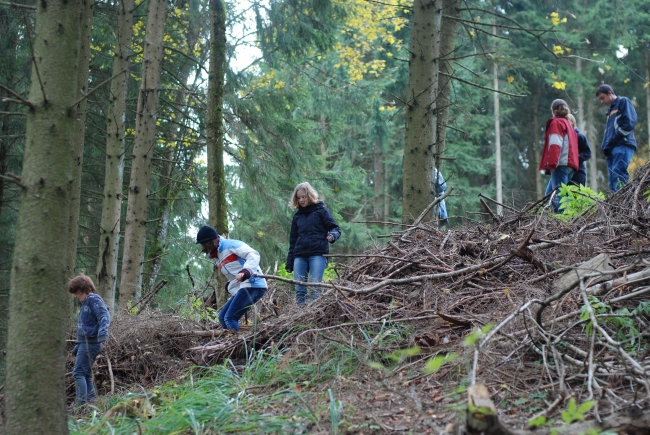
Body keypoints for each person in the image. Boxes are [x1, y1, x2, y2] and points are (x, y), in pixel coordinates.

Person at [196, 225, 267, 332]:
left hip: (254, 284)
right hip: (244, 286)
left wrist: (246, 271)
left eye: (205, 245)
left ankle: (239, 344)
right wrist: (230, 285)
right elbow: (235, 275)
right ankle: (235, 340)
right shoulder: (217, 257)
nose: (204, 248)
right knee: (222, 318)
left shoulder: (231, 245)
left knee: (230, 318)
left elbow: (253, 254)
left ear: (213, 241)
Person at [286, 182, 341, 307]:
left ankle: (315, 319)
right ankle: (302, 319)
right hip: (300, 255)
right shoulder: (297, 216)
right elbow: (293, 240)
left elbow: (335, 229)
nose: (301, 200)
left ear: (309, 195)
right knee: (300, 290)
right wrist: (290, 262)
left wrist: (332, 236)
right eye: (298, 198)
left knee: (315, 289)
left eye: (303, 197)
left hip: (318, 253)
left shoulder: (321, 210)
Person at [69, 274, 110, 408]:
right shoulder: (86, 303)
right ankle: (92, 404)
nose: (76, 295)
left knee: (78, 373)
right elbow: (86, 327)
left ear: (83, 289)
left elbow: (104, 315)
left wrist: (103, 333)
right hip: (86, 343)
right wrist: (78, 345)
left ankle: (80, 407)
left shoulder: (93, 299)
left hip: (92, 344)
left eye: (76, 292)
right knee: (85, 374)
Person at [539, 99, 579, 212]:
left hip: (560, 165)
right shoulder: (568, 125)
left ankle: (562, 224)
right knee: (549, 196)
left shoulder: (556, 123)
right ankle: (552, 223)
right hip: (570, 165)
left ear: (553, 111)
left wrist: (552, 163)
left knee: (558, 198)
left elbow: (555, 145)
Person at [595, 84, 637, 192]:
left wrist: (619, 135)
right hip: (611, 148)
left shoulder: (623, 101)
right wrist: (605, 145)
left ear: (610, 93)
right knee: (613, 180)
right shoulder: (609, 111)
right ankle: (615, 205)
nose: (602, 101)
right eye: (600, 99)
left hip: (623, 145)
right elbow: (609, 131)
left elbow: (630, 121)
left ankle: (623, 204)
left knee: (619, 174)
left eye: (602, 98)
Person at [566, 113, 592, 187]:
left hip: (579, 172)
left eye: (566, 120)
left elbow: (588, 153)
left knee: (577, 195)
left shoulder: (580, 137)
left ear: (572, 122)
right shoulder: (562, 139)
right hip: (565, 172)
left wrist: (575, 158)